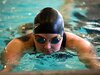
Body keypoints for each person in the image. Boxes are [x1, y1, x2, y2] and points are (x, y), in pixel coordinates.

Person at [1, 7, 100, 72]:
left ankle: (68, 4)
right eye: (40, 40)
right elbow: (6, 70)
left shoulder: (80, 44)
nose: (47, 47)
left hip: (70, 28)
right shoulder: (19, 44)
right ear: (33, 36)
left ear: (62, 35)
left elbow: (95, 67)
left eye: (55, 40)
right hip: (26, 29)